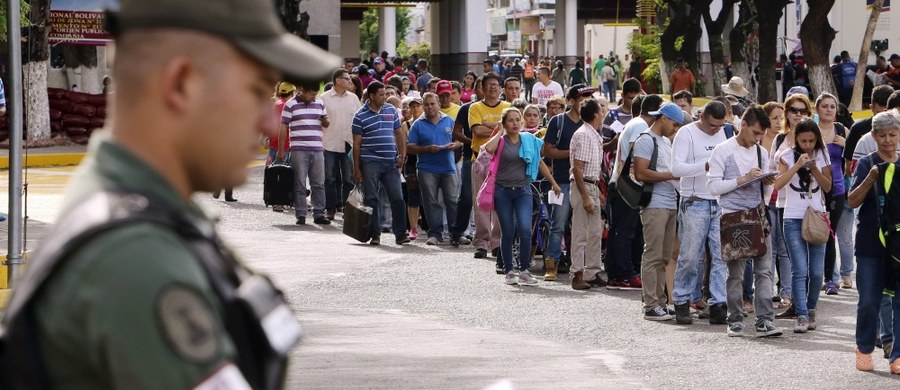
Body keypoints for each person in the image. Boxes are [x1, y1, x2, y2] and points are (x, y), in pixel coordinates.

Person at [0, 0, 340, 387]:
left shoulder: (141, 215)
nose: (270, 120)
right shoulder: (136, 255)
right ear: (180, 84)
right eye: (256, 89)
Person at [707, 106, 783, 338]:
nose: (758, 138)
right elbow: (713, 187)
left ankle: (764, 320)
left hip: (758, 215)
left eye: (761, 134)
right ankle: (735, 319)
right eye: (755, 133)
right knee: (736, 274)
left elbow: (768, 185)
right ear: (743, 126)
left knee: (764, 271)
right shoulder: (722, 151)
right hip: (733, 216)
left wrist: (766, 182)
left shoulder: (761, 151)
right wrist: (743, 179)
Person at [482, 108, 561, 285]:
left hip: (523, 190)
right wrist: (500, 132)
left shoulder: (528, 140)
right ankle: (509, 271)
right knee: (508, 231)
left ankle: (524, 270)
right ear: (504, 123)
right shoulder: (501, 142)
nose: (515, 123)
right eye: (510, 120)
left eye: (518, 120)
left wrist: (554, 183)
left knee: (525, 229)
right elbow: (488, 149)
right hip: (502, 191)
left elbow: (539, 162)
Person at [847, 110, 900, 373]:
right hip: (870, 242)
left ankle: (897, 355)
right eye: (883, 136)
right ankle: (864, 348)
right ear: (874, 136)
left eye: (893, 135)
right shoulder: (867, 162)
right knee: (869, 299)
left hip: (898, 244)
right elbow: (851, 201)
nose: (888, 140)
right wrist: (870, 180)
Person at [670, 101, 730, 325]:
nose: (716, 129)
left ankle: (718, 303)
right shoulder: (686, 133)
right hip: (695, 202)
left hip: (718, 200)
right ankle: (682, 300)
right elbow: (676, 169)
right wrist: (706, 165)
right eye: (713, 125)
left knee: (721, 255)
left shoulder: (723, 132)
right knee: (690, 256)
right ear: (702, 117)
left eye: (720, 125)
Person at [773, 118, 832, 333]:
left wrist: (815, 169)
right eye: (803, 140)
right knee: (800, 270)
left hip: (817, 216)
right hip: (792, 217)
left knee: (817, 272)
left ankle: (811, 308)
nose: (808, 145)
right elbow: (777, 185)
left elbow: (827, 186)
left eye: (811, 140)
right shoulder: (786, 155)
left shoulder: (822, 154)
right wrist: (797, 165)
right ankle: (801, 315)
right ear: (796, 139)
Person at [633, 102, 684, 321]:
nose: (675, 129)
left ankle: (660, 301)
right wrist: (671, 175)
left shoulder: (665, 141)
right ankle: (651, 304)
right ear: (663, 118)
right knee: (653, 254)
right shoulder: (646, 140)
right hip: (654, 204)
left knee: (664, 256)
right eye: (674, 123)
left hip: (670, 203)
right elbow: (641, 173)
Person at [608, 95, 662, 290]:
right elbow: (635, 157)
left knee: (620, 231)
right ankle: (624, 274)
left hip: (623, 184)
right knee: (625, 231)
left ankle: (617, 274)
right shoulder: (640, 126)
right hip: (628, 186)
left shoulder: (634, 123)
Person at [544, 84, 596, 285]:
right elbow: (548, 151)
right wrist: (575, 153)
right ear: (571, 101)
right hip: (562, 182)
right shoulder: (558, 122)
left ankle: (582, 269)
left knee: (583, 229)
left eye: (589, 97)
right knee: (558, 224)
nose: (586, 100)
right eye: (582, 97)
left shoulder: (590, 123)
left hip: (586, 183)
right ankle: (552, 265)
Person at [771, 92, 814, 316]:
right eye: (793, 110)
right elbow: (772, 171)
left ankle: (805, 304)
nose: (798, 115)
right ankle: (794, 300)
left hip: (809, 205)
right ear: (786, 113)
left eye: (802, 110)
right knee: (788, 253)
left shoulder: (813, 138)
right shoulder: (780, 139)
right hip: (783, 203)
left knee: (808, 257)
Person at [352, 81, 410, 246]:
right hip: (370, 162)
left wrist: (402, 155)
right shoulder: (359, 115)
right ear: (371, 96)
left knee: (397, 198)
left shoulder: (391, 110)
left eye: (385, 94)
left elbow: (398, 133)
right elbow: (356, 144)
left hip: (390, 162)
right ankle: (374, 234)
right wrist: (356, 168)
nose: (385, 97)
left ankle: (400, 234)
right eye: (381, 94)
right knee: (372, 198)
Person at [407, 93, 466, 246]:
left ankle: (456, 234)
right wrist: (426, 149)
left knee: (452, 200)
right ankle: (435, 233)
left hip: (448, 167)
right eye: (426, 105)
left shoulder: (449, 120)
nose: (429, 107)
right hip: (427, 168)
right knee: (430, 201)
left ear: (438, 104)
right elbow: (409, 147)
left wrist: (456, 145)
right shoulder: (418, 124)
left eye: (432, 104)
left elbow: (459, 137)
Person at [469, 73, 510, 260]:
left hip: (503, 162)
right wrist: (500, 127)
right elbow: (477, 130)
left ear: (501, 88)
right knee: (481, 203)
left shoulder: (508, 107)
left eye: (496, 84)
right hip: (481, 161)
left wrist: (490, 125)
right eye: (489, 85)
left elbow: (513, 128)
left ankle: (497, 243)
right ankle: (481, 243)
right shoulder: (475, 107)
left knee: (500, 205)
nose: (493, 88)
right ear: (482, 89)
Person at [277, 81, 330, 225]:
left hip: (318, 148)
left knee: (318, 183)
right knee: (299, 183)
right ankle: (301, 214)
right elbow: (283, 127)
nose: (314, 97)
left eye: (315, 94)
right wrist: (281, 150)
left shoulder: (319, 103)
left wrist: (325, 121)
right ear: (302, 90)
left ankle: (319, 213)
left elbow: (326, 123)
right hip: (298, 149)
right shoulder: (290, 104)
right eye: (311, 94)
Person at [568, 98, 607, 290]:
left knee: (594, 233)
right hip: (582, 185)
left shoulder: (593, 135)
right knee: (581, 232)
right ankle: (577, 273)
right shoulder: (584, 135)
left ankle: (592, 271)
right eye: (601, 110)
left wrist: (597, 190)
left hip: (591, 184)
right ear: (595, 114)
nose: (603, 113)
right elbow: (577, 169)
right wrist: (585, 196)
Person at [813, 93, 848, 296]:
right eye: (824, 106)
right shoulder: (811, 130)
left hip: (837, 189)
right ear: (817, 109)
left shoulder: (842, 130)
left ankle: (830, 280)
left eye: (832, 107)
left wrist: (845, 145)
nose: (828, 109)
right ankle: (813, 276)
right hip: (814, 188)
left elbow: (855, 158)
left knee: (829, 234)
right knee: (811, 233)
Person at [321, 69, 362, 220]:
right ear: (338, 80)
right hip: (329, 143)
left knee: (348, 178)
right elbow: (320, 121)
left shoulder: (353, 99)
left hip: (349, 143)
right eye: (347, 79)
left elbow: (360, 120)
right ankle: (330, 208)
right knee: (329, 178)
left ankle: (348, 209)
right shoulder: (324, 98)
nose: (350, 82)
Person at [400, 96, 425, 241]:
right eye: (412, 106)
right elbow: (403, 147)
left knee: (429, 196)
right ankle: (413, 228)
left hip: (427, 161)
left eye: (418, 106)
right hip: (411, 163)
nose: (415, 109)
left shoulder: (427, 123)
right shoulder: (405, 125)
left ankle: (429, 226)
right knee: (413, 196)